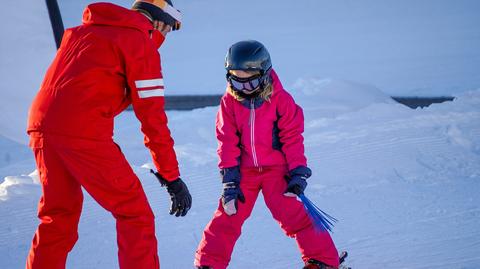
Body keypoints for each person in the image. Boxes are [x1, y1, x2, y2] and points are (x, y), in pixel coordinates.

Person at [25, 1, 191, 268]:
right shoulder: (138, 42)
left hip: (41, 125)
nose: (164, 37)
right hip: (82, 132)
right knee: (135, 213)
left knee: (58, 217)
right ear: (159, 21)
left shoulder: (81, 33)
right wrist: (171, 177)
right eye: (168, 29)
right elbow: (153, 120)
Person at [194, 40, 340, 269]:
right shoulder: (229, 102)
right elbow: (227, 141)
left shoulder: (281, 100)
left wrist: (297, 172)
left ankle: (323, 261)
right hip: (244, 173)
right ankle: (208, 264)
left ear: (264, 74)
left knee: (294, 214)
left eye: (249, 81)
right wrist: (230, 180)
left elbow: (292, 138)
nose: (242, 87)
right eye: (236, 80)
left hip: (276, 171)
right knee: (228, 215)